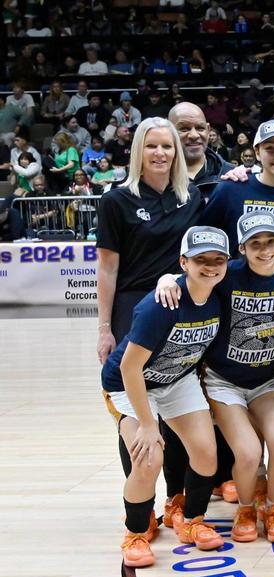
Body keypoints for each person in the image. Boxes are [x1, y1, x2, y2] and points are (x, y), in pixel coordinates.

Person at [152, 213, 274, 543]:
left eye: (270, 242)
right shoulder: (227, 276)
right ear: (242, 249)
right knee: (249, 452)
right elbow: (191, 278)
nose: (264, 250)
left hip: (267, 381)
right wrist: (166, 278)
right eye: (255, 244)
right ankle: (247, 508)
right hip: (224, 382)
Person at [96, 118, 205, 529]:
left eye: (167, 146)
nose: (160, 153)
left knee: (176, 403)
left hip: (179, 304)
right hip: (133, 307)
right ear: (138, 150)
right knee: (136, 410)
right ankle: (142, 501)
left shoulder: (190, 196)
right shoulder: (116, 201)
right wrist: (104, 328)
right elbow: (107, 269)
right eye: (152, 146)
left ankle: (177, 495)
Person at [104, 226, 229, 567]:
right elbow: (130, 368)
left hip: (177, 379)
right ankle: (135, 533)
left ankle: (191, 520)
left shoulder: (221, 292)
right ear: (184, 262)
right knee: (149, 458)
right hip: (130, 382)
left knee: (206, 451)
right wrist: (147, 423)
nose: (211, 266)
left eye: (218, 259)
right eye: (201, 259)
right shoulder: (160, 304)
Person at [200, 120, 274, 260]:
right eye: (270, 148)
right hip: (237, 280)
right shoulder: (230, 189)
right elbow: (203, 240)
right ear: (257, 153)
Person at [169, 102, 233, 200]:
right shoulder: (154, 179)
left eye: (200, 128)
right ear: (168, 131)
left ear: (208, 129)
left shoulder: (232, 176)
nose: (194, 135)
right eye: (184, 129)